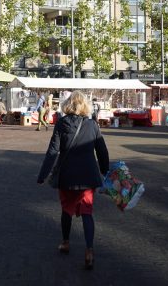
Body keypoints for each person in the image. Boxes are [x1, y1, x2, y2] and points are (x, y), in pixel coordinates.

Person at [37, 91, 110, 271]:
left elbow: (53, 151)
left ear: (67, 104)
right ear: (85, 105)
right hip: (88, 175)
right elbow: (102, 150)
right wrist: (104, 171)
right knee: (87, 212)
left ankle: (66, 243)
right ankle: (89, 251)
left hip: (67, 175)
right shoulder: (92, 124)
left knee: (66, 210)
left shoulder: (62, 123)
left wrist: (43, 174)